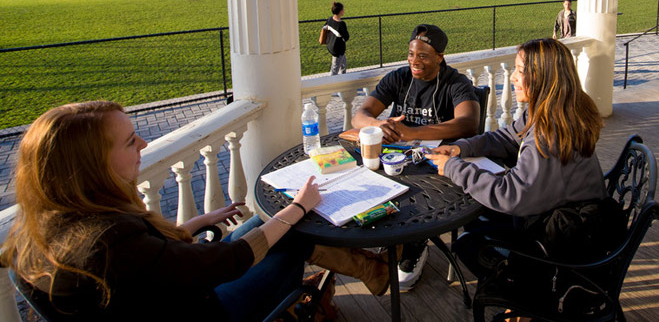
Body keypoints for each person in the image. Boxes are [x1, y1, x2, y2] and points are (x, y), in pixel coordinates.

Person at [1, 101, 390, 321]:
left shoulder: (49, 228)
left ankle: (370, 270)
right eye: (129, 141)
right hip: (210, 309)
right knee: (290, 236)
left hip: (176, 289)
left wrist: (191, 225)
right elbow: (229, 262)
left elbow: (148, 264)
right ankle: (371, 270)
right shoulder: (110, 241)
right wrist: (297, 207)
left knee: (265, 223)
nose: (143, 143)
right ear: (91, 167)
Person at [427, 38, 621, 280]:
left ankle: (519, 290)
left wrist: (453, 168)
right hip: (558, 212)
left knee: (468, 244)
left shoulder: (549, 132)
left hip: (564, 238)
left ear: (542, 77)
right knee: (479, 216)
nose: (512, 78)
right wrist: (460, 148)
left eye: (520, 71)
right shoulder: (550, 108)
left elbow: (511, 195)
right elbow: (507, 137)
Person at [353, 24, 480, 290]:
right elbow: (360, 116)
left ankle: (414, 243)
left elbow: (469, 123)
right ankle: (394, 239)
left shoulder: (456, 83)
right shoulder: (398, 78)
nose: (415, 61)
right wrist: (378, 125)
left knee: (417, 195)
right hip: (397, 161)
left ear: (440, 57)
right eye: (411, 54)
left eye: (423, 55)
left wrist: (411, 132)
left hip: (437, 166)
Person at [323, 1, 349, 75]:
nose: (344, 11)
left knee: (343, 64)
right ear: (340, 11)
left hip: (332, 45)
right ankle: (331, 81)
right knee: (334, 69)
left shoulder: (330, 19)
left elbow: (324, 27)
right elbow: (346, 37)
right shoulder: (341, 24)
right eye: (343, 9)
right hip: (338, 49)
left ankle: (343, 77)